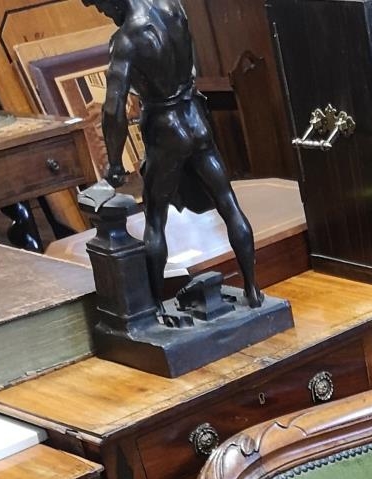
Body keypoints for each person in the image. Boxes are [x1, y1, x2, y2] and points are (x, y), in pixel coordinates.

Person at [85, 0, 264, 307]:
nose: (104, 13)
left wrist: (115, 163)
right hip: (195, 116)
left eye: (102, 6)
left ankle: (154, 307)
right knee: (229, 204)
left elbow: (113, 108)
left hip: (165, 129)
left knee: (155, 220)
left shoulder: (126, 40)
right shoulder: (172, 5)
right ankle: (252, 289)